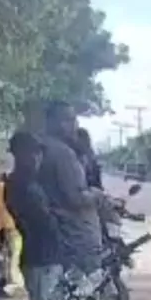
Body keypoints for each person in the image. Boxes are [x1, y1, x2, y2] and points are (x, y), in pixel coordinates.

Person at [4, 131, 64, 300]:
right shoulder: (20, 186)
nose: (37, 158)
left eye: (39, 153)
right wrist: (55, 217)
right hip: (39, 258)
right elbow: (42, 220)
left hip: (46, 256)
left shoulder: (30, 183)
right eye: (32, 153)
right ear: (20, 154)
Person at [39, 100, 103, 273]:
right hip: (75, 238)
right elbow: (76, 198)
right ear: (52, 122)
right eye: (68, 120)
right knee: (88, 285)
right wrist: (96, 195)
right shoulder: (62, 154)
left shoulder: (41, 148)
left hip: (55, 238)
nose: (74, 125)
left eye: (74, 120)